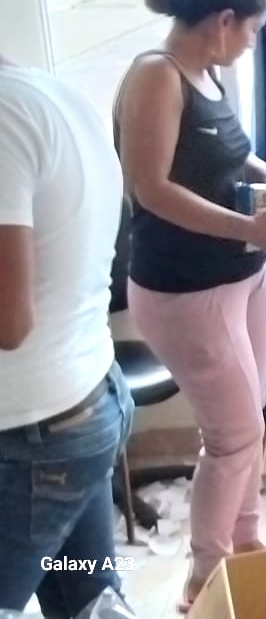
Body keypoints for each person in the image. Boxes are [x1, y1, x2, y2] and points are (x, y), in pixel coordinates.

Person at [113, 0, 266, 609]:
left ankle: (244, 540)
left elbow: (229, 155)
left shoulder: (209, 76)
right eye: (252, 30)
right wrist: (249, 227)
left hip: (245, 276)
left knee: (250, 422)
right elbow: (150, 188)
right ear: (224, 21)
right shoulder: (156, 76)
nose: (251, 42)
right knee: (233, 435)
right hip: (186, 290)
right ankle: (204, 579)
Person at [0, 53, 135, 615]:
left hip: (35, 443)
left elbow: (9, 322)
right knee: (89, 598)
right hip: (85, 406)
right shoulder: (53, 95)